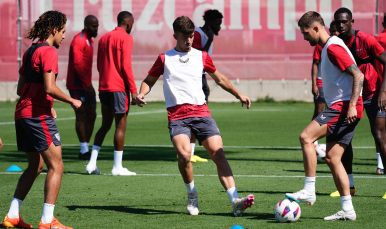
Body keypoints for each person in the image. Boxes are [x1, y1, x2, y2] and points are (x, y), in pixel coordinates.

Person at [135, 16, 254, 217]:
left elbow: (220, 78)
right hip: (177, 115)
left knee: (218, 153)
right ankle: (192, 195)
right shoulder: (165, 59)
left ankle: (235, 200)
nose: (189, 40)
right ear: (175, 36)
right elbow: (149, 80)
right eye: (184, 37)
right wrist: (141, 93)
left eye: (191, 36)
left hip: (202, 113)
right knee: (184, 156)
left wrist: (238, 94)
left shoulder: (202, 56)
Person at [2, 10, 81, 229]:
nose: (64, 36)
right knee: (57, 166)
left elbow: (21, 89)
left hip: (22, 114)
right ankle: (48, 222)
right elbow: (49, 87)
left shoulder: (30, 52)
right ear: (54, 30)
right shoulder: (49, 52)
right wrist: (72, 101)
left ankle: (12, 215)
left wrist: (48, 103)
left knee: (35, 166)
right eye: (63, 31)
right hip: (37, 116)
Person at [285, 11, 364, 221]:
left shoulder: (333, 47)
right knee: (332, 158)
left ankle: (309, 189)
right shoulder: (328, 47)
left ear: (317, 28)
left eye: (305, 33)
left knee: (306, 137)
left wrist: (352, 105)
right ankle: (348, 210)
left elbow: (358, 74)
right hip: (343, 106)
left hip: (343, 107)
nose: (304, 37)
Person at [328, 7, 386, 197]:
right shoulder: (335, 44)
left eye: (345, 21)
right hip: (350, 98)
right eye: (338, 22)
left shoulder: (366, 40)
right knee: (345, 140)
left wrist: (383, 91)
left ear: (352, 22)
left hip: (373, 95)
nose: (341, 25)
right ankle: (349, 186)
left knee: (379, 135)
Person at [85, 11, 138, 176]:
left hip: (104, 87)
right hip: (118, 87)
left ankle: (92, 163)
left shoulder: (103, 38)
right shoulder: (126, 38)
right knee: (120, 125)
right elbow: (125, 66)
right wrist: (134, 91)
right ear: (128, 23)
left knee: (105, 125)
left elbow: (100, 65)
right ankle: (117, 167)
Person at [187, 9, 223, 163]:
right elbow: (194, 55)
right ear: (208, 22)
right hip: (192, 78)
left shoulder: (207, 35)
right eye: (217, 24)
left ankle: (191, 152)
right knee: (195, 114)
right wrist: (208, 39)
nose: (219, 27)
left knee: (199, 112)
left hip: (200, 77)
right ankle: (187, 151)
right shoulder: (198, 34)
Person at [66, 15, 99, 160]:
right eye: (93, 26)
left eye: (97, 26)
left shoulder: (89, 41)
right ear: (86, 25)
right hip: (77, 84)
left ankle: (86, 147)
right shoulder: (79, 40)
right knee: (82, 114)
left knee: (92, 114)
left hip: (86, 83)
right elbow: (78, 65)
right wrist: (88, 85)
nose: (96, 28)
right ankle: (84, 150)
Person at [311, 21, 339, 146]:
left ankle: (336, 141)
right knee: (319, 111)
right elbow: (315, 64)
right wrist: (314, 84)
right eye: (333, 31)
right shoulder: (321, 44)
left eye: (337, 31)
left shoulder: (340, 44)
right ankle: (313, 138)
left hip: (334, 84)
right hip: (321, 82)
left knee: (333, 113)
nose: (335, 33)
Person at [374, 12, 386, 200]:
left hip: (382, 91)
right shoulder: (379, 38)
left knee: (379, 133)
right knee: (379, 132)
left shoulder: (379, 38)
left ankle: (381, 166)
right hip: (381, 91)